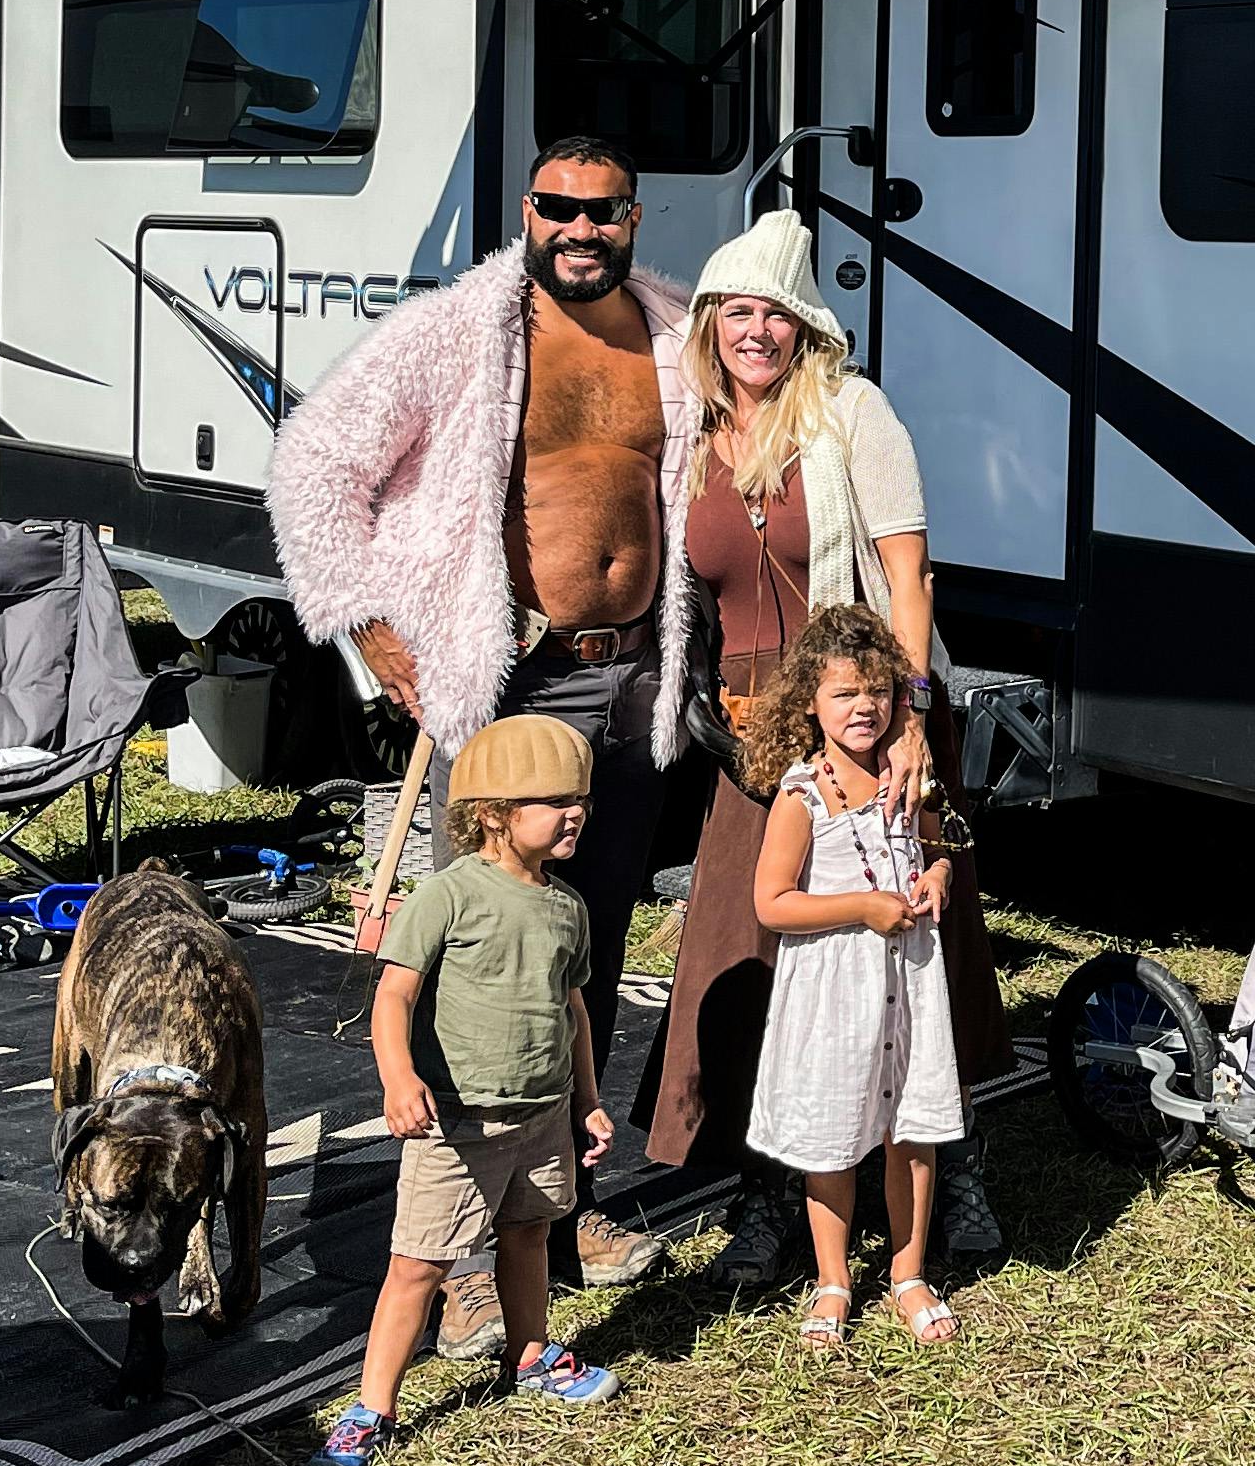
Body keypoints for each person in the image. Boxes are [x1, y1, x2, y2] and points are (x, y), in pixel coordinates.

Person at [268, 136, 695, 1356]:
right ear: (527, 211)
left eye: (601, 211)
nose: (579, 229)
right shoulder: (464, 330)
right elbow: (315, 463)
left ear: (632, 216)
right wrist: (369, 628)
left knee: (585, 952)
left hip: (634, 685)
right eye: (557, 208)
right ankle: (452, 1250)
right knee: (478, 964)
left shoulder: (670, 332)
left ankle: (564, 1210)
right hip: (517, 686)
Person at [634, 208, 1010, 1287]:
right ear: (709, 324)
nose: (756, 333)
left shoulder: (852, 413)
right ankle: (775, 1193)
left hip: (866, 701)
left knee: (922, 950)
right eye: (736, 312)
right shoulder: (693, 437)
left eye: (776, 315)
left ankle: (954, 1163)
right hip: (755, 729)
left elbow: (908, 580)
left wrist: (907, 721)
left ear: (806, 328)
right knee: (753, 952)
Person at [306, 717, 624, 1466]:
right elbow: (394, 997)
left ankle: (530, 1353)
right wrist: (397, 1077)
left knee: (529, 1235)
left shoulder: (566, 907)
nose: (574, 812)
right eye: (551, 800)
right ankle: (371, 1409)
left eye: (578, 798)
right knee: (417, 1266)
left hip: (543, 1115)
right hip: (459, 1121)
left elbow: (573, 1009)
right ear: (490, 814)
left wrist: (587, 1098)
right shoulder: (446, 896)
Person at [742, 606, 964, 1349]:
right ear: (810, 702)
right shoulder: (802, 795)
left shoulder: (910, 777)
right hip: (836, 990)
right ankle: (834, 1278)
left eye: (877, 692)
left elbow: (940, 848)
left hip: (909, 980)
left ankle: (908, 1272)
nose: (863, 708)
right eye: (843, 694)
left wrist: (935, 875)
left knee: (913, 1128)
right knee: (833, 1135)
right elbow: (772, 902)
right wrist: (862, 907)